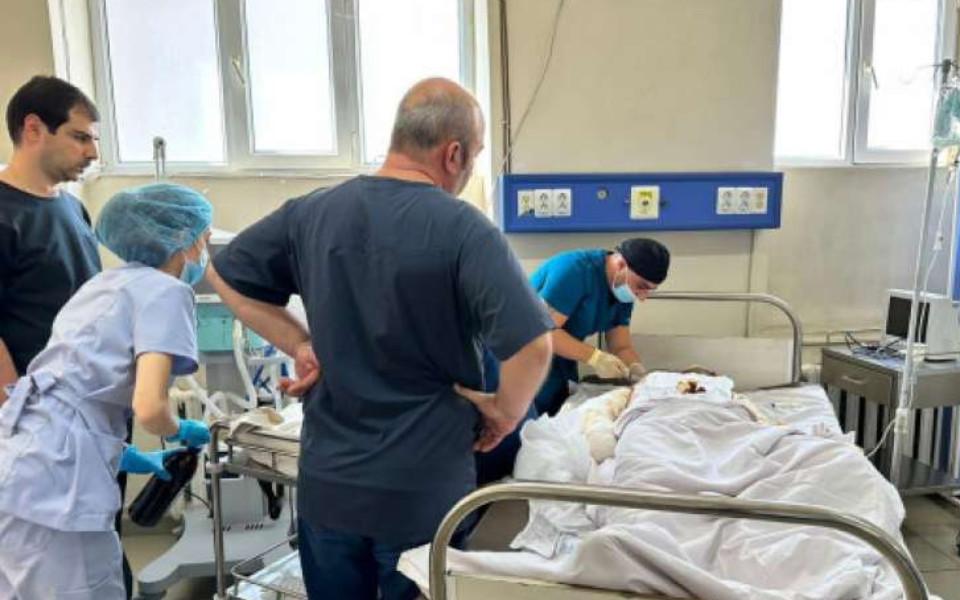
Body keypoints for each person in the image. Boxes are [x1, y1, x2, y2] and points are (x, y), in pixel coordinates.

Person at [208, 77, 553, 599]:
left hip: (330, 487)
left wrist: (298, 343)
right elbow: (533, 345)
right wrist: (504, 413)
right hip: (421, 493)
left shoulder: (311, 213)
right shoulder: (465, 229)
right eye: (476, 154)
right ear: (454, 154)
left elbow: (223, 275)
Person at [0, 183, 213, 598]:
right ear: (180, 239)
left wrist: (124, 454)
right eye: (203, 241)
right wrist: (180, 429)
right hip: (59, 491)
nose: (203, 253)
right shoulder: (168, 291)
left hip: (17, 462)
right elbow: (150, 408)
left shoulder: (102, 285)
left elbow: (74, 386)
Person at [476, 238, 670, 484]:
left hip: (559, 364)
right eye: (641, 287)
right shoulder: (574, 271)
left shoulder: (622, 294)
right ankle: (486, 497)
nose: (642, 297)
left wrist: (639, 375)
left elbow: (621, 345)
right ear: (621, 264)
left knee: (547, 438)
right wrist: (594, 357)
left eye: (649, 291)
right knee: (509, 443)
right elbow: (542, 332)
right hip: (519, 358)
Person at [0, 75, 102, 401]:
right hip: (34, 409)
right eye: (80, 137)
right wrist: (15, 411)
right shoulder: (5, 214)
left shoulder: (73, 208)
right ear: (33, 129)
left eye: (94, 140)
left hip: (81, 397)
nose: (93, 153)